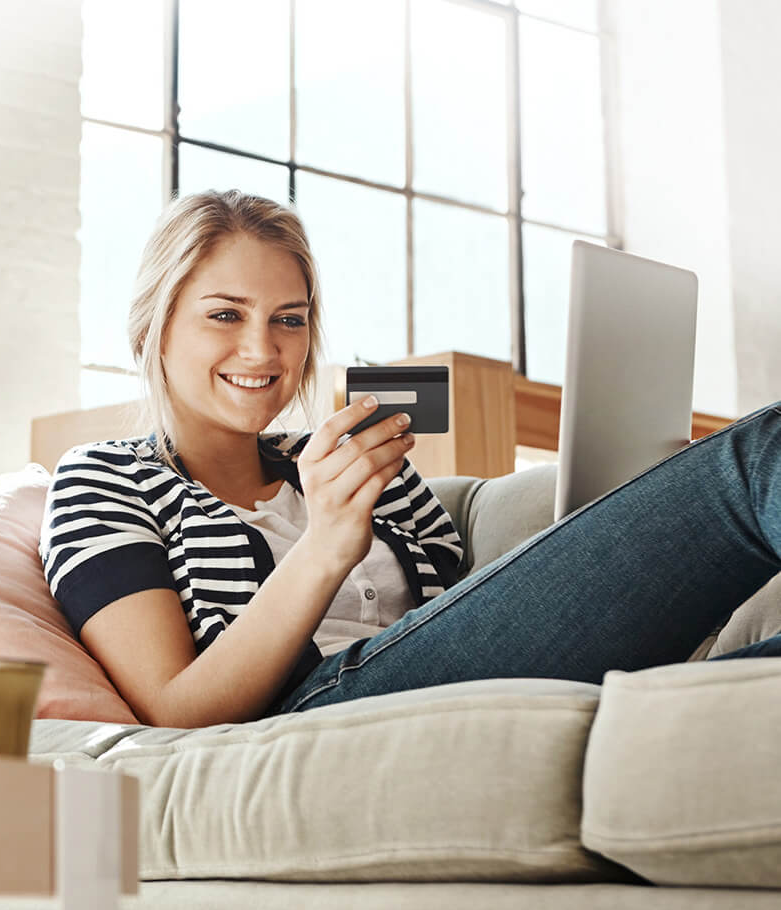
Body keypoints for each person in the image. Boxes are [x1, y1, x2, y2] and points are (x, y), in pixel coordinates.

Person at [41, 189, 781, 728]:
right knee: (758, 456)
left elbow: (466, 612)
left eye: (289, 320)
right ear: (153, 330)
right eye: (225, 314)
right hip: (320, 706)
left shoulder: (350, 458)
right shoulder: (105, 478)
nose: (263, 349)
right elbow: (175, 708)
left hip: (439, 673)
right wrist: (326, 544)